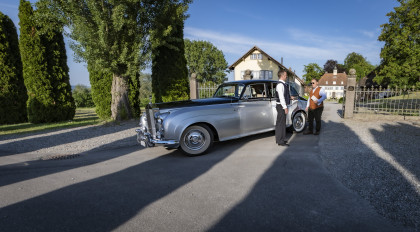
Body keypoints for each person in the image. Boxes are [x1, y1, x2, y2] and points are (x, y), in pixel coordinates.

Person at [275, 70, 290, 146]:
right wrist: (285, 107)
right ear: (282, 76)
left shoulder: (283, 84)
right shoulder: (280, 85)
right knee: (280, 124)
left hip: (281, 106)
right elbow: (281, 97)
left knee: (282, 123)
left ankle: (282, 139)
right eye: (285, 75)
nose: (286, 76)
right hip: (281, 106)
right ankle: (280, 141)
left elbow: (284, 95)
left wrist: (290, 97)